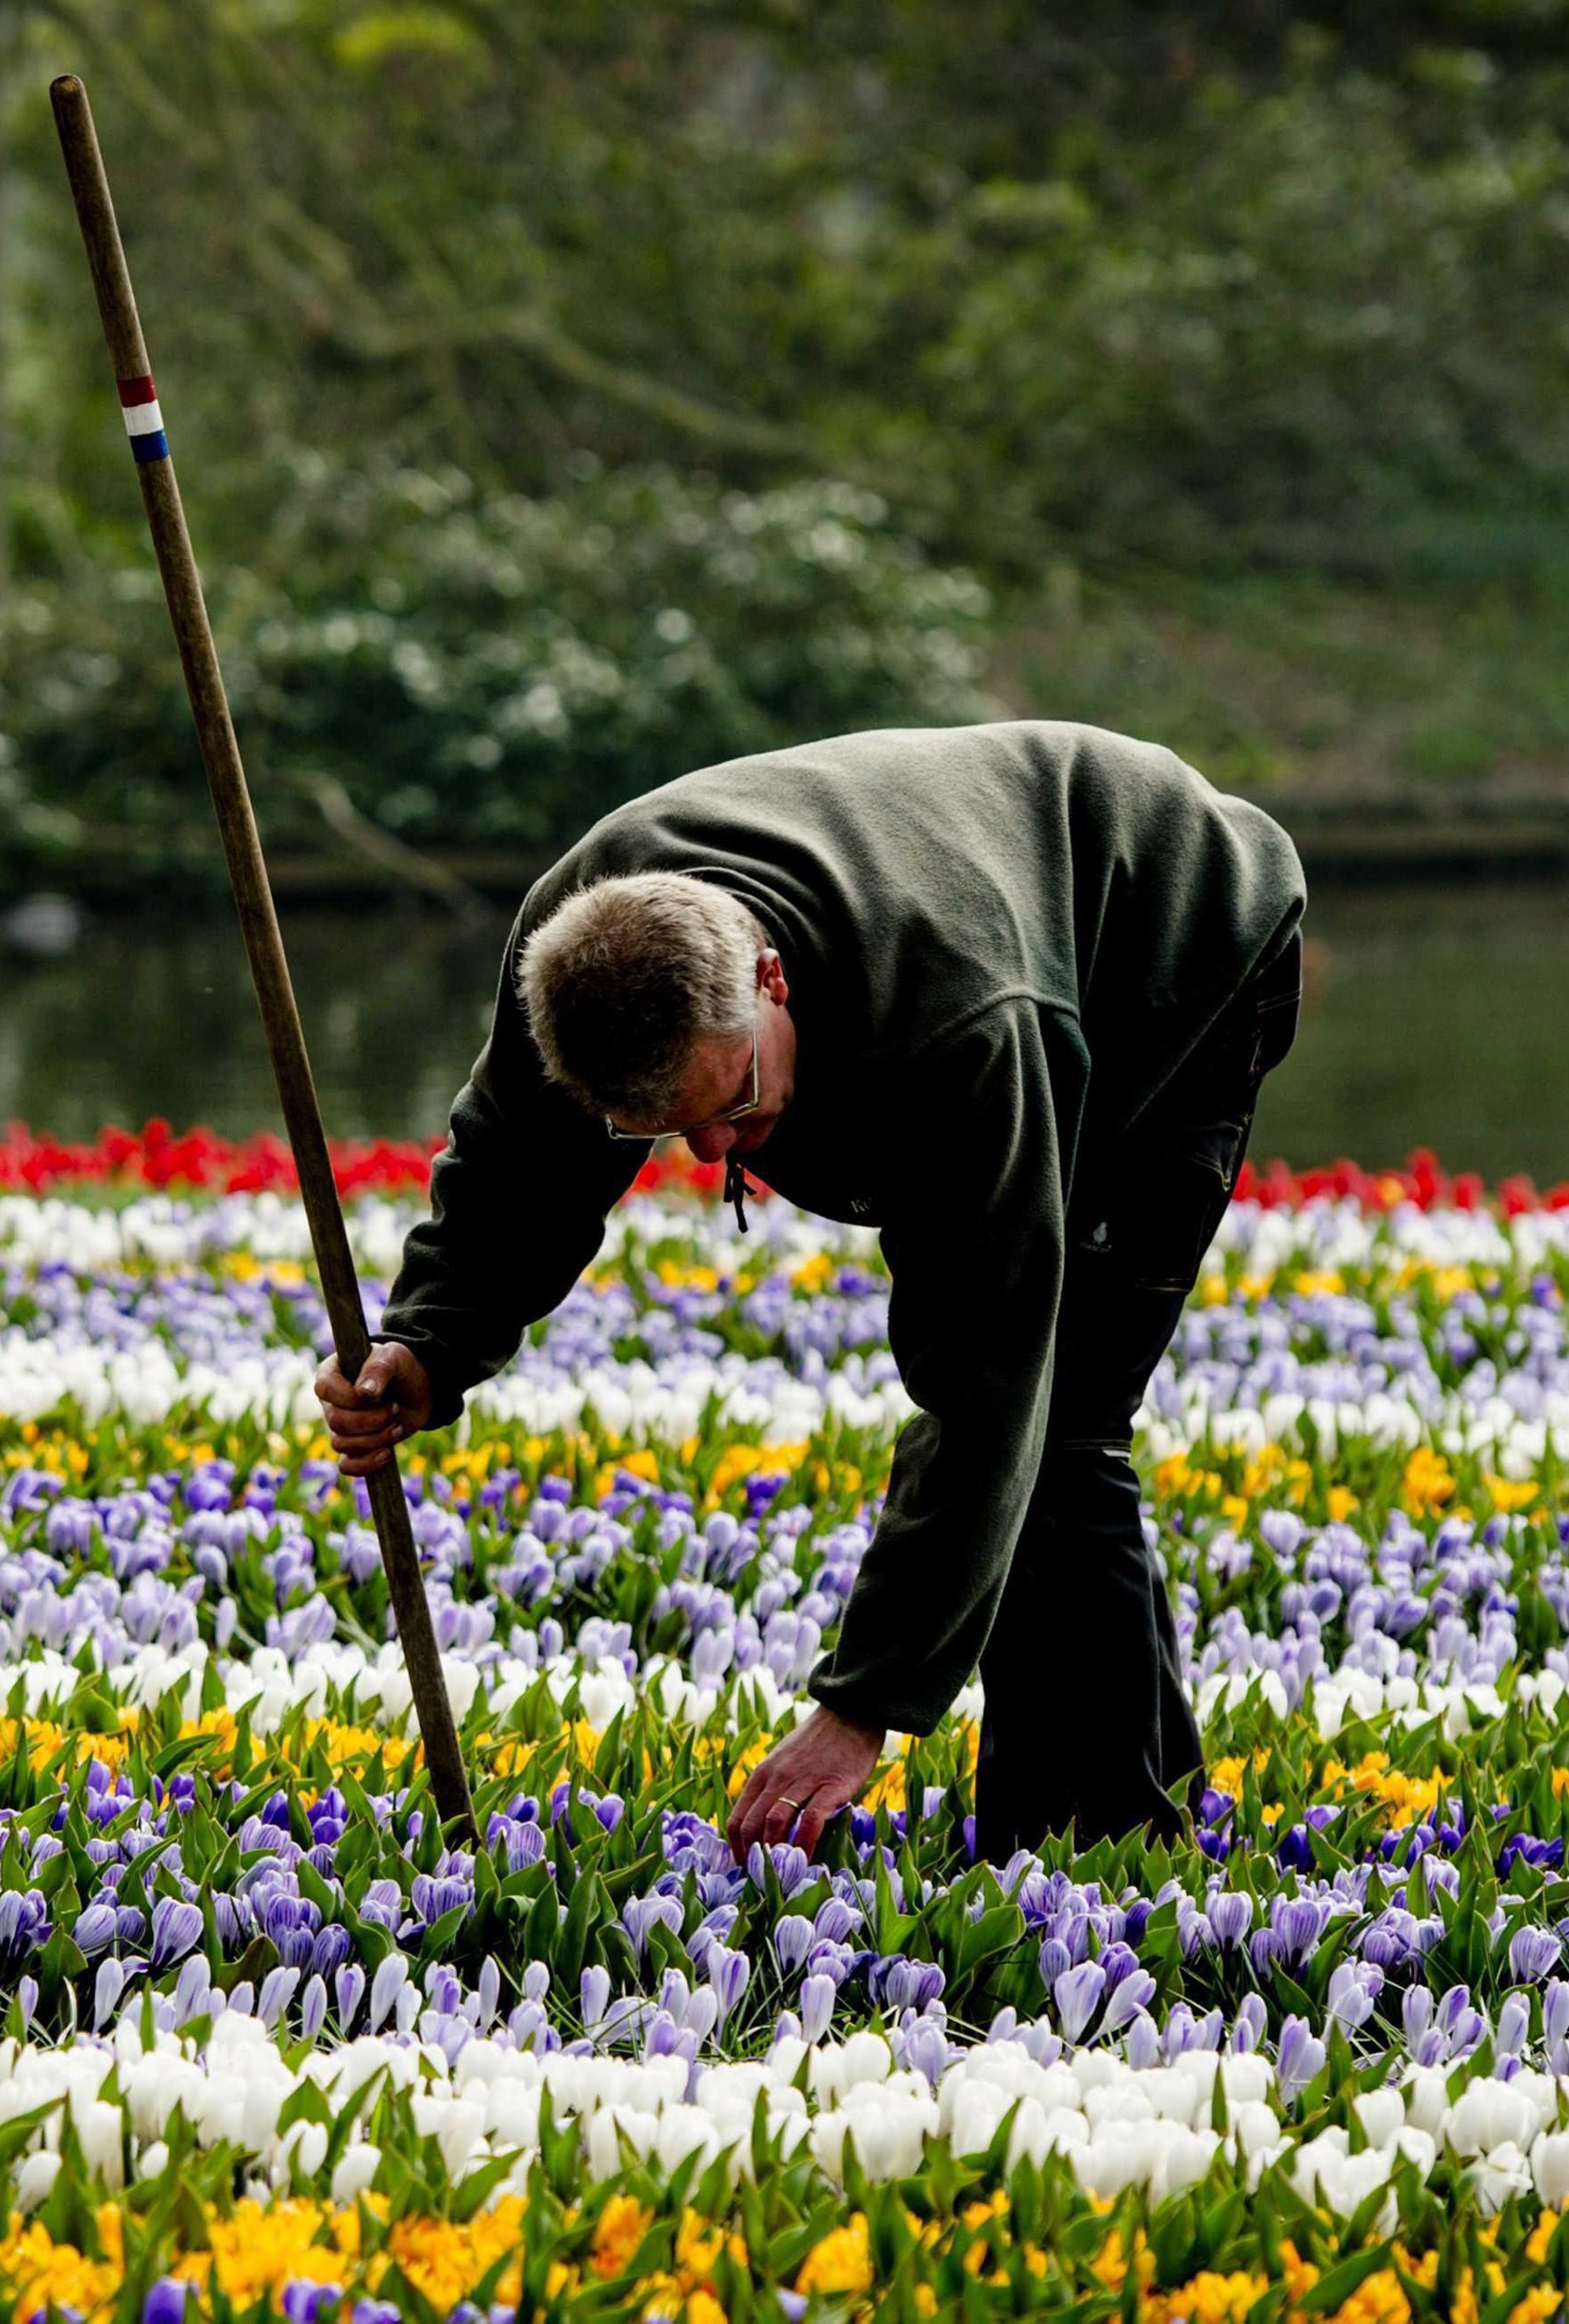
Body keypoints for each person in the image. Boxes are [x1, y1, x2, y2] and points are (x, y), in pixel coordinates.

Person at [312, 721, 1306, 1862]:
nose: (713, 1149)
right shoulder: (582, 944)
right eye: (668, 1132)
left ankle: (1079, 1854)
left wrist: (861, 1706)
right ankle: (1133, 1834)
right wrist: (428, 1343)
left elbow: (988, 1380)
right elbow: (515, 1160)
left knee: (1061, 1412)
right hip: (981, 896)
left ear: (771, 979)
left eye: (731, 1101)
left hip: (1168, 939)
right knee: (1053, 1428)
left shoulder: (959, 1019)